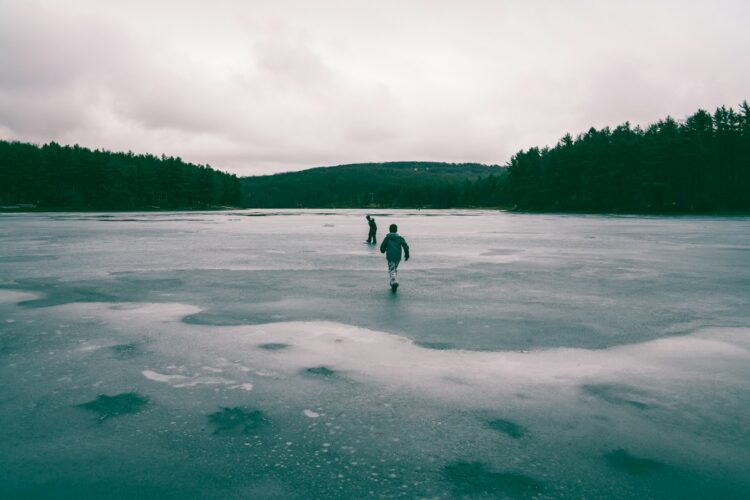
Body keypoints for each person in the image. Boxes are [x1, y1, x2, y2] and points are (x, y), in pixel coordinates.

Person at [379, 224, 410, 292]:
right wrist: (407, 254)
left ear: (389, 230)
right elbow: (405, 246)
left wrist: (383, 250)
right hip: (397, 257)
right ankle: (394, 281)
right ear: (396, 230)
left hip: (390, 256)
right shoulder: (400, 238)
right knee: (394, 268)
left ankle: (394, 282)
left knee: (392, 270)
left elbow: (382, 247)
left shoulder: (387, 238)